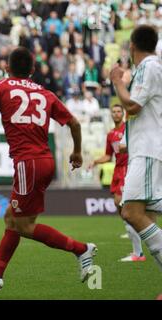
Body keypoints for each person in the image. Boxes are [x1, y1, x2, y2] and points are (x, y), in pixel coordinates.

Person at [0, 47, 97, 292]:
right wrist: (76, 151)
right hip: (44, 161)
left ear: (7, 68)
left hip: (27, 164)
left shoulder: (2, 86)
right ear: (32, 70)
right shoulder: (46, 93)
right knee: (12, 219)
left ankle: (81, 249)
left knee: (22, 225)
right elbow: (73, 122)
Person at [110, 25, 162, 272]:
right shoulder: (152, 66)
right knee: (146, 215)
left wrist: (117, 82)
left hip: (148, 150)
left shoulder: (149, 66)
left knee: (130, 212)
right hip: (146, 150)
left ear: (132, 46)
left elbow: (132, 107)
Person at [90, 104, 145, 262]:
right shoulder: (111, 134)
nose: (116, 114)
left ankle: (138, 253)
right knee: (121, 210)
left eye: (118, 111)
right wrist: (95, 162)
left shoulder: (128, 130)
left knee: (123, 206)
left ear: (123, 113)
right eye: (113, 111)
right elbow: (108, 156)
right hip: (117, 170)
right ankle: (136, 241)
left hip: (128, 169)